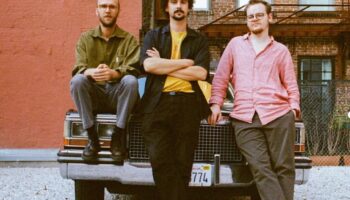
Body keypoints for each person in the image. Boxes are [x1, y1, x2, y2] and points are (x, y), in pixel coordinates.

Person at [208, 0, 300, 200]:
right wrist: (216, 103)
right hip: (244, 118)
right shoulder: (235, 45)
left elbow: (290, 84)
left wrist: (293, 108)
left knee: (284, 167)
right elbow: (221, 77)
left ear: (270, 17)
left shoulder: (281, 51)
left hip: (278, 114)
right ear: (247, 21)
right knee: (260, 168)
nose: (255, 19)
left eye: (259, 15)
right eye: (250, 16)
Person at [138, 0, 211, 199]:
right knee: (160, 160)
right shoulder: (153, 36)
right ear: (167, 7)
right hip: (157, 103)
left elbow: (201, 73)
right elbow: (149, 66)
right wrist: (185, 63)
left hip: (188, 104)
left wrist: (165, 64)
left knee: (183, 163)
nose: (178, 6)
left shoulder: (199, 40)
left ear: (189, 7)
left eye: (183, 2)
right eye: (173, 2)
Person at [70, 0, 140, 163]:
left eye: (112, 7)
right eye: (103, 6)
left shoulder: (129, 40)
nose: (107, 10)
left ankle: (118, 137)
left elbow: (134, 69)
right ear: (97, 11)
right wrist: (92, 72)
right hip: (94, 95)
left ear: (118, 11)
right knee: (77, 80)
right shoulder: (85, 39)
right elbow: (79, 67)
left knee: (130, 81)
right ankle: (92, 139)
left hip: (118, 97)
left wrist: (113, 74)